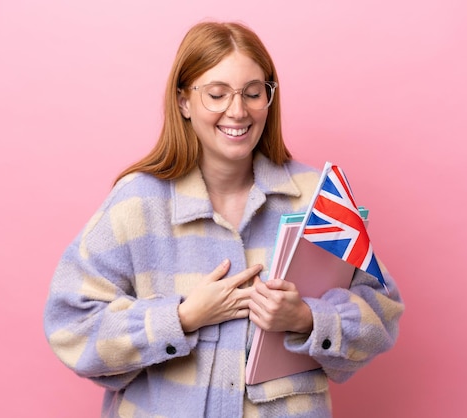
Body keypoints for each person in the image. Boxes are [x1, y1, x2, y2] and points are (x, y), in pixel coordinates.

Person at [43, 21, 404, 418]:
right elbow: (70, 326)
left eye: (253, 93)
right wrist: (180, 318)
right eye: (217, 94)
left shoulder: (317, 196)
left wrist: (304, 317)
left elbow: (382, 314)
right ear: (183, 101)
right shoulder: (137, 203)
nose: (238, 111)